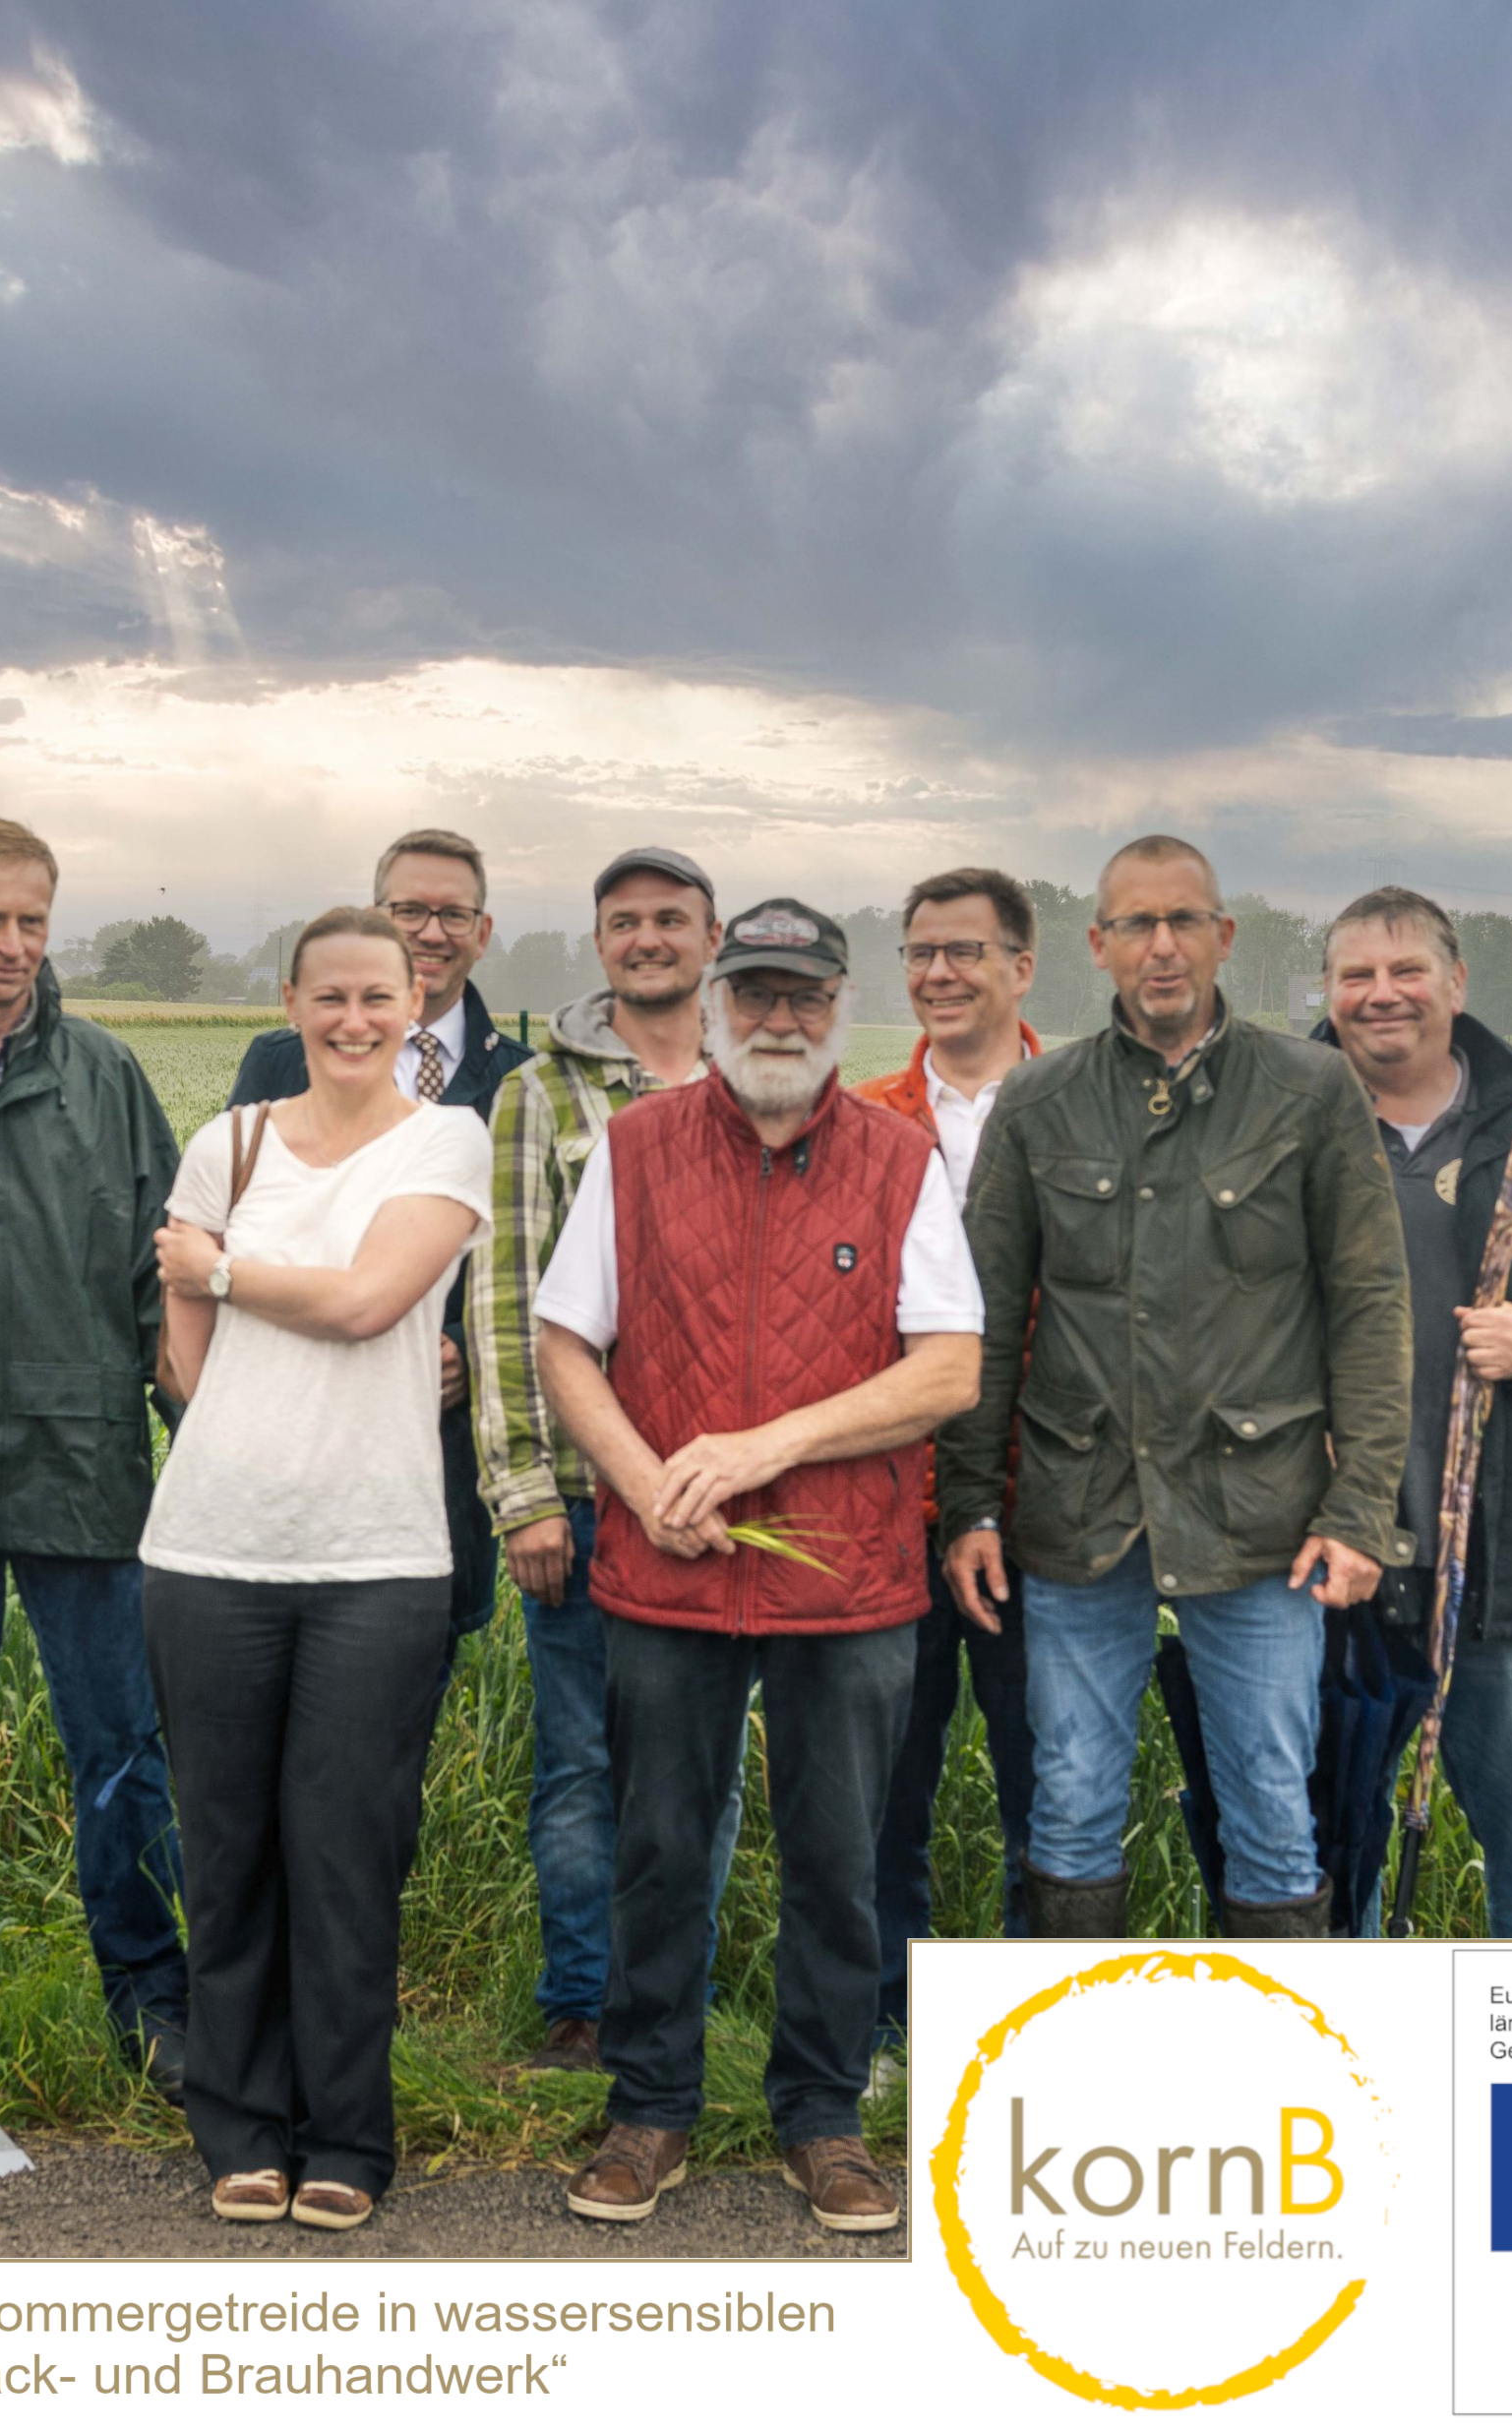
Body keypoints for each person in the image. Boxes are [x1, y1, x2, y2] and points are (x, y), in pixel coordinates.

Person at [536, 898, 983, 2232]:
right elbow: (565, 1341)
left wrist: (760, 1446)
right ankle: (649, 2109)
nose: (778, 1019)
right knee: (659, 1848)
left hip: (846, 1582)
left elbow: (947, 1369)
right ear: (718, 1004)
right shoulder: (637, 1147)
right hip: (668, 1566)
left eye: (804, 996)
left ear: (840, 1007)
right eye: (756, 994)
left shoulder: (899, 1161)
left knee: (836, 1860)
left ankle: (824, 2117)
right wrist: (645, 1486)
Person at [939, 835, 1412, 1943]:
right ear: (1097, 944)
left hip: (1260, 1518)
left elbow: (1369, 1305)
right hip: (1080, 1511)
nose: (1161, 946)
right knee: (1069, 1806)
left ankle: (1273, 2046)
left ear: (1223, 936)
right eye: (1136, 925)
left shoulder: (1309, 1090)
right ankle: (1073, 2041)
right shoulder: (1040, 1100)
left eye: (1183, 921)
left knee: (1271, 1811)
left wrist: (1359, 1510)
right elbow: (986, 1321)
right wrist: (969, 1504)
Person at [143, 905, 494, 2231]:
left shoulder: (443, 1139)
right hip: (209, 1548)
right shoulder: (226, 1144)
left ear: (413, 1006)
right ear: (289, 1003)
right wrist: (222, 1292)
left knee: (346, 1856)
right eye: (329, 996)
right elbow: (185, 1367)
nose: (354, 1020)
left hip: (378, 1558)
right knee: (228, 1854)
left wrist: (227, 1269)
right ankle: (240, 2131)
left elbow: (366, 1300)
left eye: (378, 997)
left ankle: (346, 2138)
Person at [0, 816, 190, 2097]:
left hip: (83, 1463)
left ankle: (149, 1990)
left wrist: (198, 1434)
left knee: (118, 1743)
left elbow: (162, 1275)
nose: (11, 944)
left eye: (31, 921)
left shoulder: (105, 1073)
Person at [465, 846, 746, 2074]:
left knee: (705, 1766)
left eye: (670, 919)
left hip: (727, 1494)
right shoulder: (540, 1093)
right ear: (600, 944)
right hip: (583, 1499)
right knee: (582, 1759)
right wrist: (522, 1488)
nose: (647, 938)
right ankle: (581, 2003)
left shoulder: (761, 1079)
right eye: (624, 921)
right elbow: (504, 1298)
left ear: (711, 938)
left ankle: (674, 1996)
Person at [1317, 887, 1512, 1936]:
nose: (1380, 993)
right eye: (1356, 974)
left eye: (1406, 970)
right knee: (1323, 1867)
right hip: (1328, 1557)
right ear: (1328, 992)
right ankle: (1348, 2048)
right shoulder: (1284, 1131)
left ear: (1457, 983)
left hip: (1498, 1556)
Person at [230, 830, 531, 1665]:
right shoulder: (280, 1062)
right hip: (292, 1434)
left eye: (453, 914)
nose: (432, 932)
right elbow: (235, 1230)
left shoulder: (523, 1084)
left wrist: (468, 1351)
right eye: (409, 911)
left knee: (404, 1696)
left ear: (483, 930)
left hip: (434, 1453)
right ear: (376, 918)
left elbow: (538, 1266)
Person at [852, 867, 1041, 2050]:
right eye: (920, 951)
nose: (938, 972)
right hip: (887, 1508)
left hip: (1047, 1510)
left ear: (1022, 965)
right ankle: (884, 2027)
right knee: (884, 1792)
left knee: (1049, 1791)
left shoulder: (1082, 1105)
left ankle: (1031, 2036)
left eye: (963, 950)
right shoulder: (863, 1118)